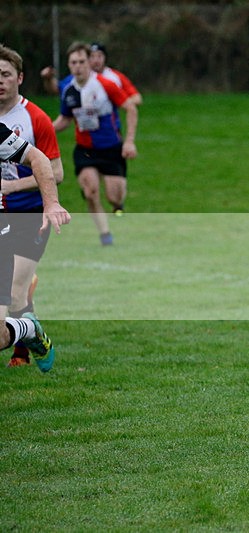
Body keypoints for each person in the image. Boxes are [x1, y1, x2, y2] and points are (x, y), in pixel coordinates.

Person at [0, 44, 65, 367]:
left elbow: (56, 170)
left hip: (28, 215)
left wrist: (14, 185)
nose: (0, 81)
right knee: (13, 294)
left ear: (19, 78)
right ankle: (25, 333)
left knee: (14, 293)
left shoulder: (34, 117)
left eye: (5, 74)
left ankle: (25, 344)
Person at [52, 41, 138, 246]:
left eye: (82, 61)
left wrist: (129, 142)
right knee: (90, 191)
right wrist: (42, 129)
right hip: (85, 150)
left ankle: (117, 205)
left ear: (89, 62)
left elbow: (131, 108)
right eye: (73, 62)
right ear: (69, 65)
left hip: (111, 148)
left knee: (114, 197)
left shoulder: (106, 85)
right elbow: (65, 119)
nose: (78, 66)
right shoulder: (68, 90)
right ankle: (105, 234)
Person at [41, 42, 142, 108]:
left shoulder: (114, 77)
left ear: (105, 57)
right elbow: (56, 89)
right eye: (93, 56)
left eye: (99, 56)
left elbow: (137, 99)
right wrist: (48, 79)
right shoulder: (76, 79)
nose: (96, 60)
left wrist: (113, 101)